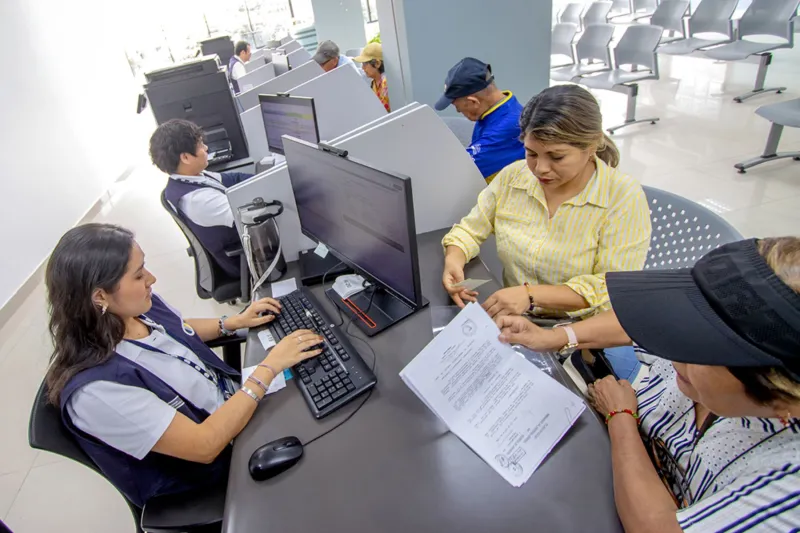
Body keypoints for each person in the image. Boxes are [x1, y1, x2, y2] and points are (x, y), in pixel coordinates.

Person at [496, 237, 800, 531]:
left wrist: (621, 420)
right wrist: (560, 336)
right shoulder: (722, 366)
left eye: (698, 351)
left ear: (779, 393)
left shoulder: (786, 483)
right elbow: (648, 321)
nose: (672, 351)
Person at [45, 223, 324, 507]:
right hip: (214, 466)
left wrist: (230, 323)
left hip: (236, 405)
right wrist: (268, 367)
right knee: (328, 441)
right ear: (100, 297)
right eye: (139, 275)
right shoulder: (97, 392)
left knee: (319, 387)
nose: (151, 279)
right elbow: (204, 445)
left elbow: (175, 330)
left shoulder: (133, 309)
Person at [442, 85, 652, 319]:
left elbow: (609, 287)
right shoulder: (513, 176)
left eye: (556, 156)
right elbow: (469, 230)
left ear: (591, 146)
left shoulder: (621, 196)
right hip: (516, 318)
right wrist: (454, 259)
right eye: (531, 153)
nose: (540, 169)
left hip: (583, 330)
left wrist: (531, 295)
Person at [149, 119, 254, 278]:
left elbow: (233, 178)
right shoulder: (196, 199)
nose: (206, 148)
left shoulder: (190, 177)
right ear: (185, 157)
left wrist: (267, 178)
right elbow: (249, 216)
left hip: (244, 240)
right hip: (244, 259)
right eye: (200, 145)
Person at [434, 58, 525, 183]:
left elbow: (458, 171)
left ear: (473, 102)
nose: (458, 112)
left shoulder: (506, 127)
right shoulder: (494, 111)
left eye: (457, 107)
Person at [354, 43, 389, 112]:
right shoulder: (374, 83)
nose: (362, 68)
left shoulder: (387, 83)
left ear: (377, 64)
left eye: (365, 64)